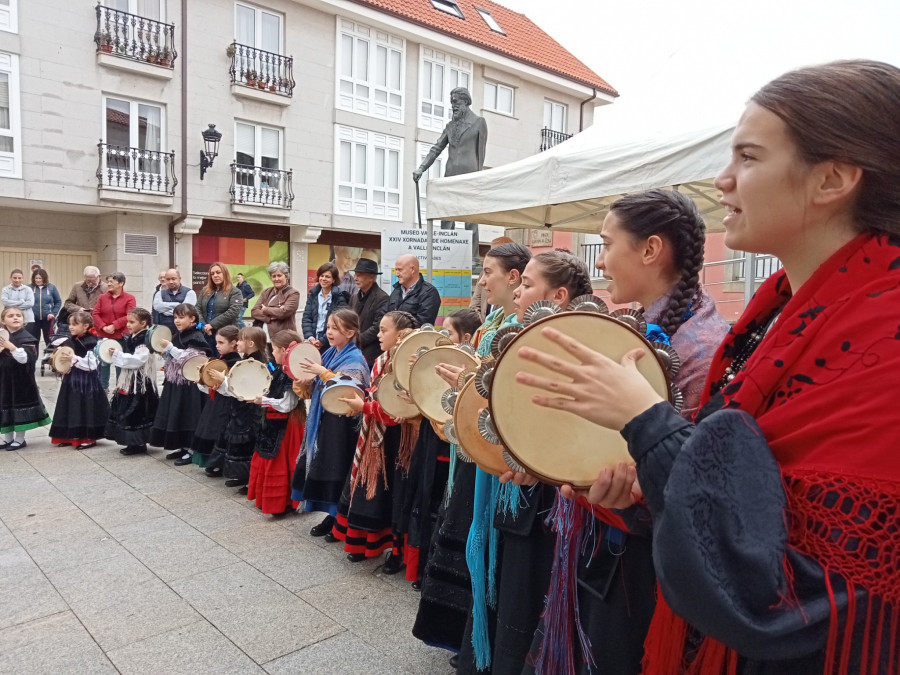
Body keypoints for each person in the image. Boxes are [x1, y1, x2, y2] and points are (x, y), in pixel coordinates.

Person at [518, 60, 900, 674]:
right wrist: (632, 492)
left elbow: (794, 592)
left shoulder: (884, 341)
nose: (723, 181)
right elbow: (726, 499)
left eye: (748, 157)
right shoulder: (768, 318)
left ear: (832, 179)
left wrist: (647, 422)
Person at [516, 198, 727, 675]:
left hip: (648, 571)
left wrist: (626, 492)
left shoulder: (702, 348)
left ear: (651, 249)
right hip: (607, 543)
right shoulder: (640, 327)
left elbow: (688, 484)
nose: (600, 260)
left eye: (608, 244)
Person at [412, 243, 531, 664]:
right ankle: (465, 638)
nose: (482, 280)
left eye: (488, 272)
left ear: (514, 278)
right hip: (473, 453)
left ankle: (477, 643)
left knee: (481, 545)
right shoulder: (493, 322)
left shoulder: (518, 328)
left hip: (498, 460)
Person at [330, 310, 419, 566]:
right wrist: (362, 401)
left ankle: (396, 553)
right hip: (376, 436)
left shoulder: (408, 367)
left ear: (401, 335)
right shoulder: (380, 361)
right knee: (370, 491)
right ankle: (364, 544)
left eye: (383, 330)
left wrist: (365, 407)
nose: (378, 335)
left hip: (399, 441)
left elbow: (397, 412)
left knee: (395, 495)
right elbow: (375, 395)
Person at [290, 308, 370, 537]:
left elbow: (349, 388)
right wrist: (304, 381)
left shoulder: (355, 358)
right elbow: (312, 389)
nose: (330, 332)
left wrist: (321, 372)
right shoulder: (329, 354)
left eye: (336, 328)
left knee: (339, 467)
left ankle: (340, 519)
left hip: (343, 424)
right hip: (327, 420)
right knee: (327, 465)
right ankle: (332, 516)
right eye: (328, 328)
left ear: (351, 332)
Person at [413, 87, 488, 269]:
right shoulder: (450, 126)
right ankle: (445, 256)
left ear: (465, 102)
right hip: (450, 178)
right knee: (446, 217)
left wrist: (478, 179)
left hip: (470, 178)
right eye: (451, 102)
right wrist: (422, 168)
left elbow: (481, 153)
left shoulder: (479, 123)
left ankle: (473, 259)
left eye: (455, 102)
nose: (452, 105)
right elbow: (436, 148)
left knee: (471, 220)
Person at [245, 329, 305, 511]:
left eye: (275, 349)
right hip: (274, 420)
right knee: (268, 456)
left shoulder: (292, 373)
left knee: (283, 461)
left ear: (285, 350)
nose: (272, 353)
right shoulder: (281, 369)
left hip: (287, 425)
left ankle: (286, 501)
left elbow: (288, 404)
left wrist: (263, 400)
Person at [150, 304, 211, 464]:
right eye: (175, 317)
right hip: (176, 382)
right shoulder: (179, 335)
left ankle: (192, 449)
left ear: (192, 319)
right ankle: (183, 446)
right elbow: (175, 357)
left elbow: (192, 359)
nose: (177, 320)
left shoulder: (196, 336)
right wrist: (167, 353)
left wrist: (171, 348)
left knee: (190, 415)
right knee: (178, 413)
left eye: (181, 317)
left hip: (190, 384)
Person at [210, 326, 268, 487]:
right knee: (239, 439)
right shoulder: (247, 359)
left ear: (251, 343)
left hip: (251, 409)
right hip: (241, 407)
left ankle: (249, 478)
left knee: (248, 441)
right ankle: (242, 476)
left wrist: (224, 381)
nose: (238, 342)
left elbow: (243, 388)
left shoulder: (256, 362)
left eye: (241, 339)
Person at [48, 312, 109, 450]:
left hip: (86, 381)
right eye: (70, 324)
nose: (70, 327)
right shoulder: (72, 339)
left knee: (85, 407)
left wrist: (73, 359)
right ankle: (69, 436)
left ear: (86, 326)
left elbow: (92, 365)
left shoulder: (91, 342)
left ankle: (88, 437)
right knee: (71, 405)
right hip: (72, 378)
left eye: (74, 324)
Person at [106, 307, 158, 456]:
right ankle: (133, 441)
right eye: (127, 321)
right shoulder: (134, 336)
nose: (128, 324)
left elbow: (139, 360)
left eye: (132, 322)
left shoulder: (145, 339)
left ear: (143, 323)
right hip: (130, 379)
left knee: (137, 410)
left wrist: (117, 354)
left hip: (140, 381)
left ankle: (138, 442)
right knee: (127, 407)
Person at [188, 326, 241, 469]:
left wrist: (221, 380)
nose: (217, 346)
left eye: (221, 343)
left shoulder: (236, 362)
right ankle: (212, 461)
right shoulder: (220, 359)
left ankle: (219, 462)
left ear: (233, 343)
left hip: (227, 403)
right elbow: (212, 387)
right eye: (216, 342)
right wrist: (202, 380)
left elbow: (233, 387)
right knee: (209, 427)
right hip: (215, 402)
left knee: (219, 430)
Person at [0, 306, 51, 450]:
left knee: (19, 407)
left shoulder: (27, 338)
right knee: (5, 406)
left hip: (21, 381)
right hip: (4, 379)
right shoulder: (2, 336)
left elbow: (25, 360)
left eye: (18, 315)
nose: (15, 318)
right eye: (10, 316)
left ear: (23, 320)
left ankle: (20, 439)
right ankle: (7, 438)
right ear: (3, 321)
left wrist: (12, 347)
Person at [92, 271, 136, 390]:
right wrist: (103, 326)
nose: (108, 284)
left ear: (121, 283)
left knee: (119, 364)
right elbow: (95, 313)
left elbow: (129, 315)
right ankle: (103, 389)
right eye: (108, 281)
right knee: (103, 363)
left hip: (121, 336)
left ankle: (120, 389)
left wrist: (114, 325)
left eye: (112, 281)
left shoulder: (129, 298)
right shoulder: (102, 297)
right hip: (103, 335)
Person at [195, 262, 244, 354]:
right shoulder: (205, 291)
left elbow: (233, 311)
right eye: (212, 274)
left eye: (218, 272)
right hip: (206, 334)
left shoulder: (235, 292)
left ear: (225, 273)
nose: (215, 275)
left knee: (223, 364)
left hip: (225, 337)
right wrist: (204, 326)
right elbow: (197, 308)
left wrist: (212, 325)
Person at [349, 258, 389, 368]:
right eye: (355, 274)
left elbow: (378, 327)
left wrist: (356, 340)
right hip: (354, 352)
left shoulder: (382, 298)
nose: (355, 278)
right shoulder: (354, 297)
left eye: (359, 275)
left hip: (371, 355)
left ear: (371, 277)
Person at [301, 262, 349, 354]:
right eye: (321, 276)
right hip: (312, 341)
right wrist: (310, 337)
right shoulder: (313, 295)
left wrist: (322, 341)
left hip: (330, 343)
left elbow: (339, 323)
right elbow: (306, 318)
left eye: (327, 277)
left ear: (334, 279)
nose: (323, 279)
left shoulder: (339, 297)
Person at [386, 255, 441, 328]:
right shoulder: (397, 290)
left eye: (400, 270)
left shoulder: (429, 292)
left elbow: (422, 323)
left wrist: (396, 330)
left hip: (415, 339)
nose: (396, 274)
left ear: (412, 269)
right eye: (396, 270)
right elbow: (385, 314)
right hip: (395, 338)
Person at [251, 261, 301, 339]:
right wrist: (269, 317)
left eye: (279, 275)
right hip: (263, 337)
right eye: (273, 276)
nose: (276, 279)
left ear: (286, 276)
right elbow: (254, 312)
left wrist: (265, 309)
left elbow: (283, 313)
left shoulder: (293, 293)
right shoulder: (266, 292)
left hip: (283, 338)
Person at [469, 237, 514, 321]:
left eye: (496, 252)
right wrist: (485, 327)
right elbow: (474, 305)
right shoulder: (483, 274)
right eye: (490, 251)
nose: (482, 282)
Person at [28, 268, 61, 346]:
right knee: (34, 341)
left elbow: (58, 302)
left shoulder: (52, 287)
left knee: (49, 340)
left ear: (44, 278)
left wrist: (53, 313)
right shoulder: (29, 288)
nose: (38, 280)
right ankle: (34, 358)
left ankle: (50, 357)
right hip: (33, 320)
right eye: (36, 278)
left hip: (48, 319)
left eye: (40, 278)